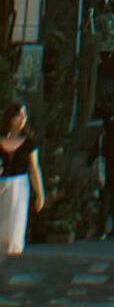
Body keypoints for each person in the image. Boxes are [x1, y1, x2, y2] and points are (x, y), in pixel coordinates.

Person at [0, 103, 44, 254]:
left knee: (15, 229)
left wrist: (40, 194)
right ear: (10, 117)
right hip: (1, 186)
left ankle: (13, 257)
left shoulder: (29, 142)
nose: (22, 119)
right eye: (19, 115)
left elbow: (34, 168)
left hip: (19, 188)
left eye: (24, 115)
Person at [90, 113, 114, 240]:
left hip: (106, 172)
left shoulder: (102, 138)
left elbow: (94, 153)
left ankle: (102, 230)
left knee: (104, 201)